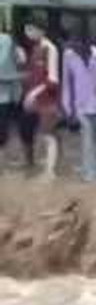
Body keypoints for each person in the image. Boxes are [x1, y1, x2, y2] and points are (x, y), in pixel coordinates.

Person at [60, 25, 96, 183]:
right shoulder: (69, 56)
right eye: (73, 42)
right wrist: (68, 108)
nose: (75, 46)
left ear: (87, 42)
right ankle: (89, 175)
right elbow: (67, 83)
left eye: (78, 42)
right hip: (81, 105)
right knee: (88, 139)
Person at [21, 13, 61, 180]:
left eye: (30, 29)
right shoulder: (35, 48)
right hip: (38, 98)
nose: (27, 33)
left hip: (48, 98)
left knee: (49, 135)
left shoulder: (49, 48)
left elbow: (53, 79)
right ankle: (49, 167)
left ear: (40, 30)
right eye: (26, 29)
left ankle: (50, 172)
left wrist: (33, 93)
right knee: (44, 134)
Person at [0, 14, 27, 172]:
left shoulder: (7, 41)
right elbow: (19, 61)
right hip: (5, 95)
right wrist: (21, 75)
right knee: (3, 130)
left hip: (5, 94)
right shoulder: (7, 40)